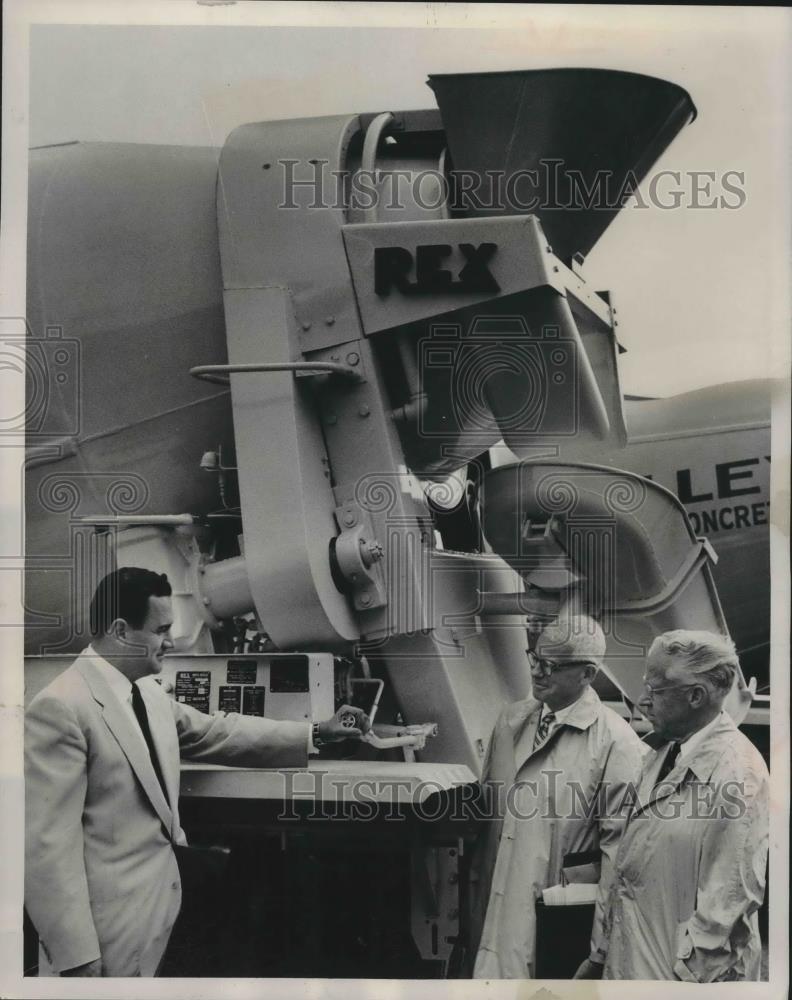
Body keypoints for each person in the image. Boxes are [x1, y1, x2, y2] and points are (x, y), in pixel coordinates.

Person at [25, 567, 370, 977]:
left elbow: (216, 731)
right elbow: (46, 850)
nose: (170, 642)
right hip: (108, 934)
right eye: (161, 630)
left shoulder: (146, 690)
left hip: (166, 905)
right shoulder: (61, 707)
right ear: (120, 630)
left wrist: (317, 733)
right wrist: (76, 956)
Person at [575, 630, 769, 982]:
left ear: (696, 696)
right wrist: (601, 957)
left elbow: (723, 915)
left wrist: (679, 985)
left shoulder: (738, 776)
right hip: (633, 968)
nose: (643, 701)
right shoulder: (660, 754)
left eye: (655, 690)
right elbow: (629, 873)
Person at [470, 613, 645, 979]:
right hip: (491, 920)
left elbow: (618, 859)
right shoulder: (511, 722)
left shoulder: (616, 743)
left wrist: (599, 952)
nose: (536, 672)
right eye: (534, 658)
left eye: (551, 666)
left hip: (553, 928)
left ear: (587, 674)